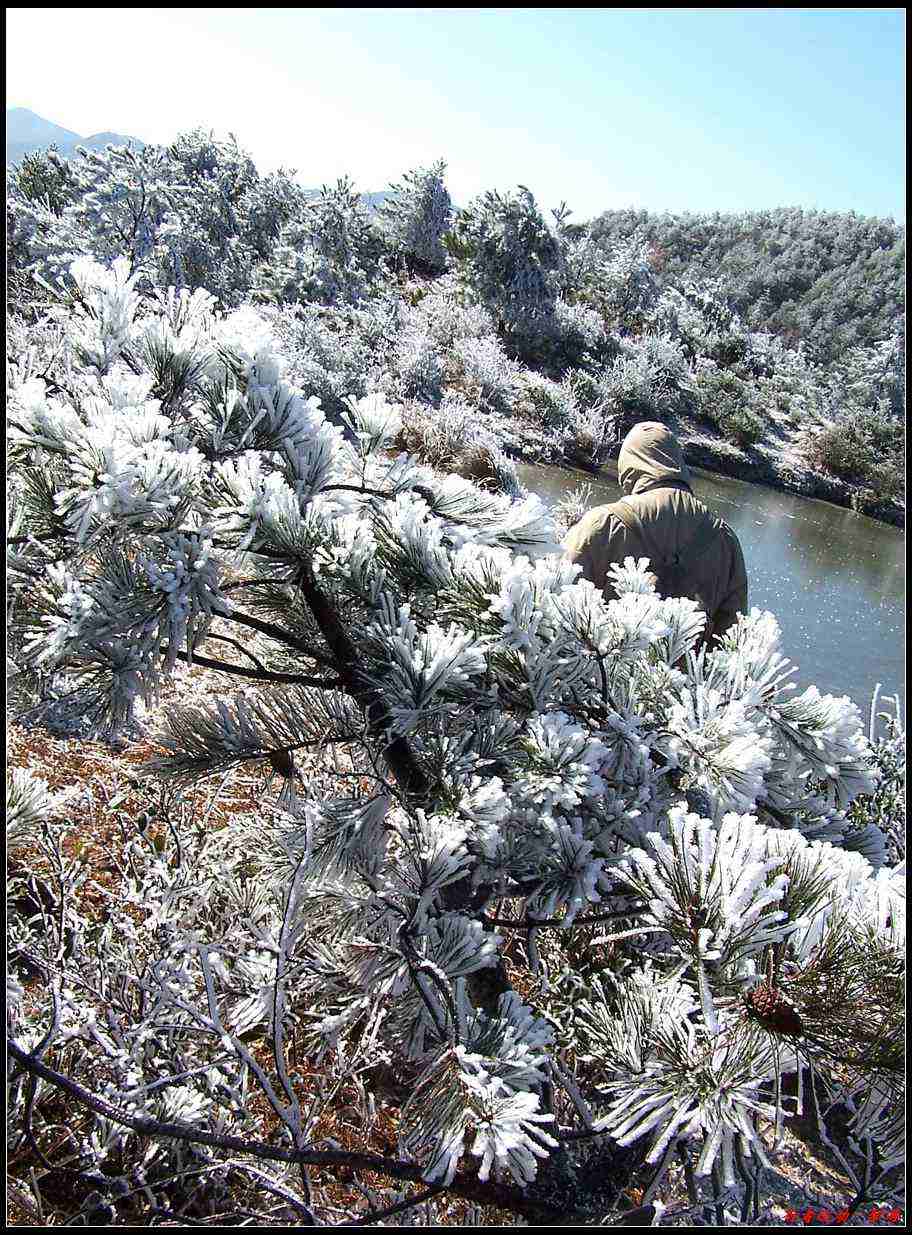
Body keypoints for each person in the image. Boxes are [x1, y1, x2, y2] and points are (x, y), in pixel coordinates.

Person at [563, 421, 747, 650]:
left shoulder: (602, 522)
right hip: (686, 683)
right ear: (678, 465)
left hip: (601, 678)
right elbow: (733, 637)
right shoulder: (725, 539)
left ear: (629, 467)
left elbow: (559, 601)